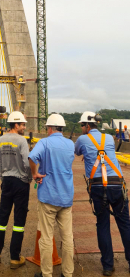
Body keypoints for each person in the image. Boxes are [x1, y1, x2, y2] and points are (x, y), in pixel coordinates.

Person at [75, 111, 130, 276]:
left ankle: (107, 266)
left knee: (103, 224)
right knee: (125, 224)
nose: (81, 128)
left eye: (81, 126)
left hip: (98, 186)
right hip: (117, 183)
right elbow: (105, 153)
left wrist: (88, 154)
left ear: (86, 125)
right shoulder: (109, 138)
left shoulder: (82, 139)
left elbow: (78, 152)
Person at [29, 114, 75, 277]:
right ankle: (68, 273)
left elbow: (32, 157)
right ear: (61, 128)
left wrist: (35, 174)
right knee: (68, 238)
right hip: (66, 197)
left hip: (48, 197)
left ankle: (46, 273)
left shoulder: (44, 142)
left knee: (47, 238)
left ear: (49, 128)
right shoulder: (70, 144)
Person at [0, 111, 32, 270]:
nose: (24, 127)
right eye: (22, 124)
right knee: (19, 222)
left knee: (2, 219)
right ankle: (15, 258)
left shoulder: (1, 139)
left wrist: (3, 179)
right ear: (16, 125)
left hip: (6, 182)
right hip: (21, 183)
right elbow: (27, 163)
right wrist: (28, 179)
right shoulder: (22, 141)